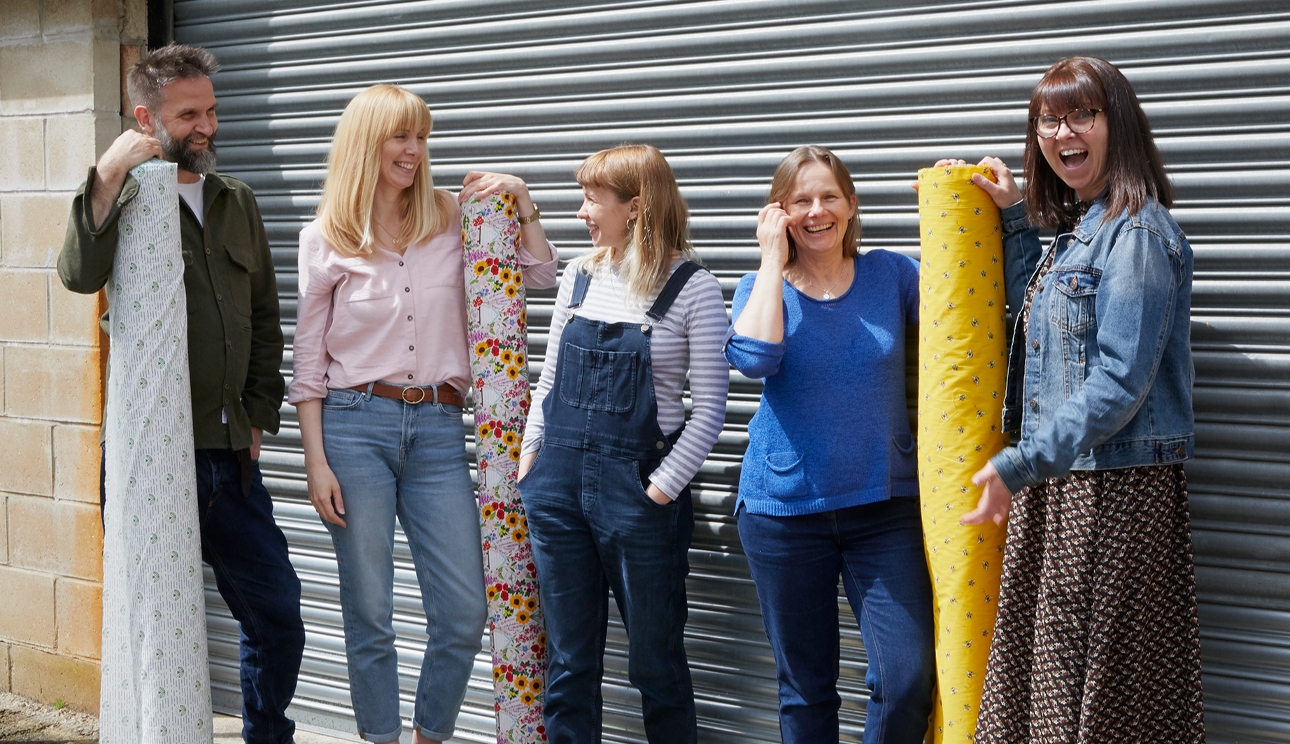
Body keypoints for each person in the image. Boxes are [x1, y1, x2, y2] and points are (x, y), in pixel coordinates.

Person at [288, 83, 557, 744]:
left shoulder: (455, 216)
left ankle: (428, 736)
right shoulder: (326, 236)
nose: (413, 150)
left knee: (466, 610)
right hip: (354, 429)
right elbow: (308, 363)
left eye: (420, 137)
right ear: (365, 143)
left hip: (438, 428)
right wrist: (315, 458)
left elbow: (543, 275)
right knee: (370, 612)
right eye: (399, 136)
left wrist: (523, 202)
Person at [950, 56, 1203, 742]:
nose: (1062, 131)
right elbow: (1043, 315)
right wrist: (1010, 219)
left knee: (1099, 692)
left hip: (1112, 490)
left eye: (1080, 114)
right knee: (1056, 681)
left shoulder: (1139, 233)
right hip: (1067, 484)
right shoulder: (1081, 232)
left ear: (1116, 123)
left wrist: (1020, 464)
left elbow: (1122, 379)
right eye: (1047, 119)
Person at [57, 43, 304, 744]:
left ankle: (266, 736)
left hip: (229, 458)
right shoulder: (126, 195)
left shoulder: (236, 201)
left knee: (278, 616)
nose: (208, 127)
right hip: (150, 456)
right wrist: (106, 173)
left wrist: (258, 415)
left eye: (212, 111)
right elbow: (77, 274)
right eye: (189, 114)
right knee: (153, 626)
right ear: (145, 116)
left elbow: (263, 317)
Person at [514, 144, 728, 743]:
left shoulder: (694, 288)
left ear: (635, 206)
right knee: (569, 666)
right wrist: (531, 464)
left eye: (591, 198)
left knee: (656, 666)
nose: (582, 212)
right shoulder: (581, 275)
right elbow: (550, 377)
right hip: (556, 488)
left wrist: (657, 492)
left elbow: (710, 409)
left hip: (636, 497)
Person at [725, 146, 934, 743]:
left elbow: (966, 317)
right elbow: (756, 358)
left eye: (829, 197)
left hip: (883, 507)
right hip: (783, 513)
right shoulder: (756, 287)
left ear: (851, 204)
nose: (817, 211)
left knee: (905, 678)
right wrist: (771, 258)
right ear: (780, 212)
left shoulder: (892, 275)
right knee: (807, 692)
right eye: (800, 201)